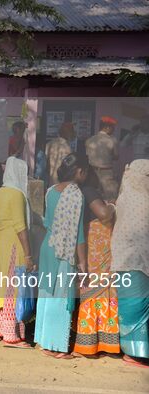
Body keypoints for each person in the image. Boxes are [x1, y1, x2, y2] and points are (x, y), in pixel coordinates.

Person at [34, 153, 89, 359]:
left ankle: (43, 339)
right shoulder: (76, 194)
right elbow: (79, 235)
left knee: (47, 293)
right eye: (85, 172)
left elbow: (49, 221)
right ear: (79, 171)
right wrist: (83, 264)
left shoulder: (50, 191)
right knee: (61, 295)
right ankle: (55, 346)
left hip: (47, 247)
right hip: (63, 250)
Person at [72, 168, 119, 357]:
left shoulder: (75, 192)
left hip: (89, 248)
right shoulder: (89, 191)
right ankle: (104, 344)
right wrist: (113, 206)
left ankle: (89, 342)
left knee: (93, 292)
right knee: (101, 291)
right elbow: (104, 214)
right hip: (97, 250)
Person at [0, 157, 34, 348]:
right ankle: (11, 335)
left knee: (1, 284)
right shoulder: (16, 194)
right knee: (12, 286)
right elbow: (20, 226)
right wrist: (28, 254)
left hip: (0, 240)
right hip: (14, 243)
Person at [110, 159, 149, 368]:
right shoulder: (144, 200)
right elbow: (144, 237)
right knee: (139, 308)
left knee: (129, 306)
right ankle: (136, 354)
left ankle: (130, 350)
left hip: (122, 259)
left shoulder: (124, 197)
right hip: (139, 261)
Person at [85, 116, 119, 200]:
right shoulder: (112, 140)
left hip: (92, 173)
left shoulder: (89, 140)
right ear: (107, 127)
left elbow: (87, 156)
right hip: (106, 172)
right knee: (111, 197)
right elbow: (116, 156)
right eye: (112, 127)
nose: (113, 130)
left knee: (93, 196)